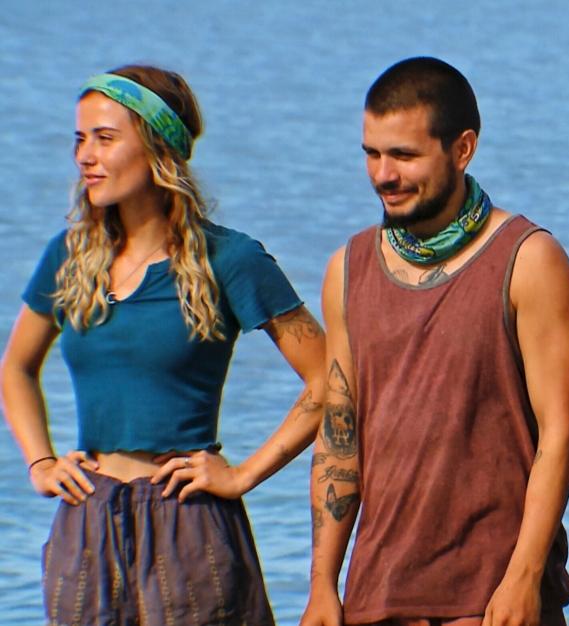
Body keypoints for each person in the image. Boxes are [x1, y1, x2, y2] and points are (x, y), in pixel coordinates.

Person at [0, 65, 326, 624]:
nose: (85, 156)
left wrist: (244, 475)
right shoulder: (69, 256)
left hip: (189, 523)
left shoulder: (231, 260)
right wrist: (41, 462)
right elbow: (16, 369)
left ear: (158, 147)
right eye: (80, 139)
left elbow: (332, 381)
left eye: (105, 138)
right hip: (86, 521)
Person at [300, 56, 569, 626]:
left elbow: (561, 433)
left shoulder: (528, 259)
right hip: (377, 595)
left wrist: (524, 578)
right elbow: (339, 434)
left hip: (491, 600)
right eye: (372, 154)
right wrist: (323, 586)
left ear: (462, 149)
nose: (383, 174)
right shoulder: (347, 269)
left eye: (403, 155)